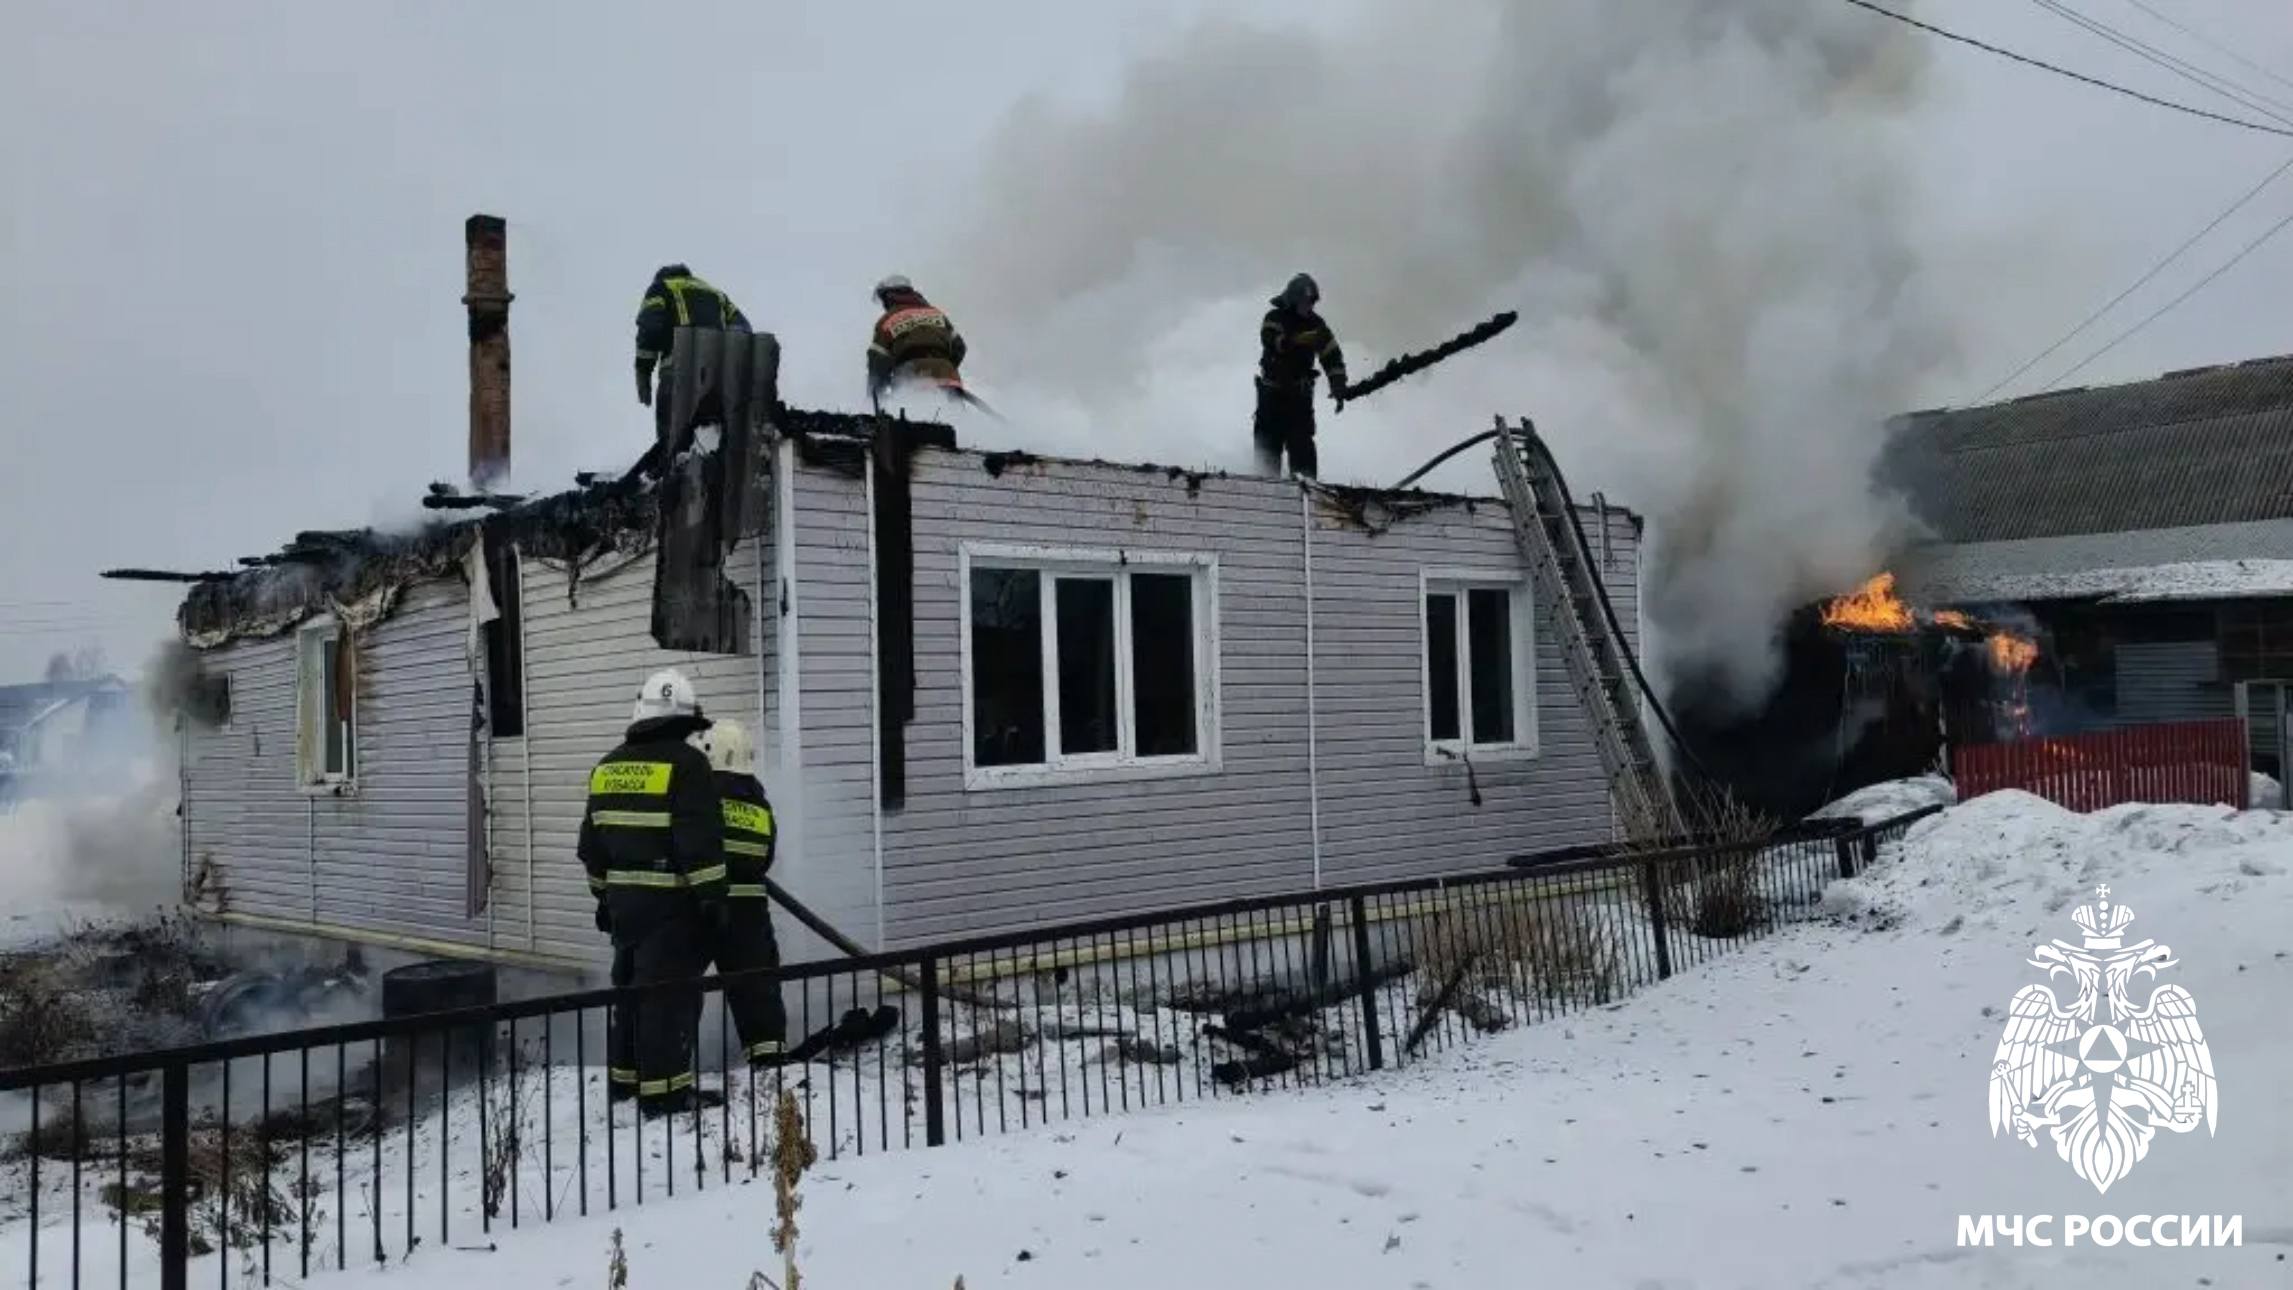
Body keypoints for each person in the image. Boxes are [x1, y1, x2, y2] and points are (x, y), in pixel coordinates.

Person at [579, 667, 727, 1117]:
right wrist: (713, 899)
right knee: (669, 997)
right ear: (683, 721)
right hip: (671, 907)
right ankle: (665, 1095)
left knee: (628, 994)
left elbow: (592, 847)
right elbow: (698, 840)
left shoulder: (607, 766)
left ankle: (624, 1085)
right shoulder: (688, 765)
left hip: (624, 908)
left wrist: (604, 898)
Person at [686, 718, 787, 1065]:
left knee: (677, 988)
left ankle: (672, 1070)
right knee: (758, 992)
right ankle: (770, 1069)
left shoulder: (697, 796)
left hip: (700, 907)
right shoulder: (760, 805)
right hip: (749, 914)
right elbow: (766, 858)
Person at [634, 264, 750, 447]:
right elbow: (743, 330)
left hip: (678, 374)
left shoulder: (661, 288)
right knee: (717, 439)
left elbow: (649, 329)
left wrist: (643, 372)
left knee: (672, 442)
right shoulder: (717, 294)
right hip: (720, 379)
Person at [1254, 272, 1348, 480]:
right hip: (1271, 397)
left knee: (1303, 455)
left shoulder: (1317, 325)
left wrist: (1338, 384)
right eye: (1305, 302)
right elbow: (1270, 340)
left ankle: (1307, 491)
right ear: (1293, 300)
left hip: (1299, 400)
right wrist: (1297, 340)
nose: (1309, 306)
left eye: (1311, 302)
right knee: (1267, 457)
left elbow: (1332, 357)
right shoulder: (1274, 318)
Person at [866, 275, 968, 406]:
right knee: (955, 416)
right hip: (948, 378)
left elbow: (877, 361)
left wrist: (875, 396)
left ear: (888, 297)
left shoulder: (887, 321)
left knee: (916, 417)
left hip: (911, 378)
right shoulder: (936, 314)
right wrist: (943, 366)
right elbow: (959, 347)